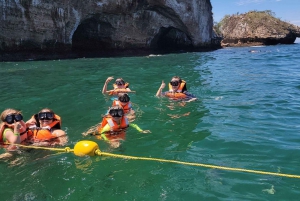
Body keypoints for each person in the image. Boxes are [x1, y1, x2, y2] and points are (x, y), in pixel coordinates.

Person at [83, 106, 150, 148]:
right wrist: (109, 141)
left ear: (122, 115)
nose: (117, 118)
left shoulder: (124, 119)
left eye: (119, 117)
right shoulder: (109, 125)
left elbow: (133, 125)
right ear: (111, 116)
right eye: (114, 117)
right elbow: (103, 133)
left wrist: (141, 130)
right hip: (107, 132)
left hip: (119, 130)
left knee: (120, 142)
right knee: (115, 145)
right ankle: (87, 133)